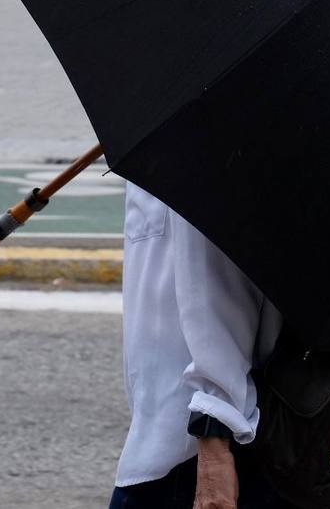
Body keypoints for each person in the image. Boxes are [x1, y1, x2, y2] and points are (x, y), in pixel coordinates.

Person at [109, 181, 292, 509]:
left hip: (195, 442)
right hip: (183, 429)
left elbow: (220, 269)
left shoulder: (197, 139)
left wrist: (214, 436)